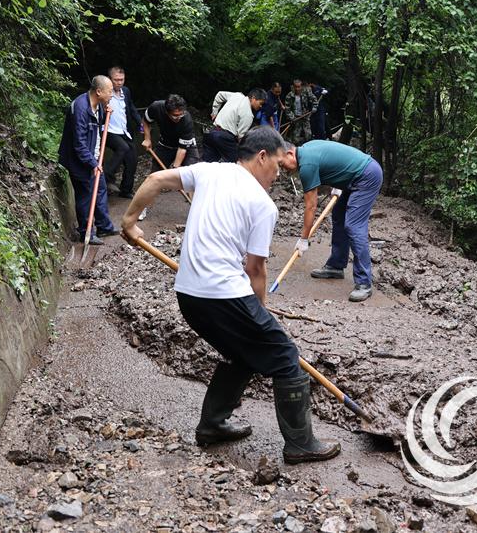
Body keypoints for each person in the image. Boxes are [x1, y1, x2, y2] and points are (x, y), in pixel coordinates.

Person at [121, 127, 341, 464]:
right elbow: (255, 270)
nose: (278, 176)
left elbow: (155, 180)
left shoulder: (209, 171)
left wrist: (129, 221)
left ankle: (212, 425)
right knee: (285, 356)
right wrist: (261, 314)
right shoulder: (262, 205)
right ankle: (301, 444)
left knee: (243, 353)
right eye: (277, 166)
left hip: (188, 295)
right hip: (224, 294)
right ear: (262, 157)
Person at [279, 140, 382, 302]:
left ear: (290, 154)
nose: (283, 170)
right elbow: (335, 158)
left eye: (282, 164)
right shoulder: (307, 150)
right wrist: (340, 180)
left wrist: (304, 239)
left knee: (354, 225)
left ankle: (364, 283)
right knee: (339, 215)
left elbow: (311, 206)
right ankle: (336, 265)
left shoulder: (306, 165)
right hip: (355, 175)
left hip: (366, 175)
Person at [58, 75, 118, 245]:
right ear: (98, 91)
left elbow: (98, 126)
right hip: (78, 160)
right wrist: (92, 163)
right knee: (85, 195)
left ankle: (104, 226)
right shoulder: (81, 109)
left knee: (100, 189)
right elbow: (79, 144)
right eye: (109, 91)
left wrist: (106, 114)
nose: (111, 95)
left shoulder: (98, 105)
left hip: (93, 156)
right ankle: (86, 233)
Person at [138, 94, 199, 220]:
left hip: (186, 147)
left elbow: (182, 149)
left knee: (192, 175)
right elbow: (146, 121)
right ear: (167, 112)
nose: (179, 117)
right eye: (175, 115)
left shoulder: (186, 120)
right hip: (165, 144)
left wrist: (175, 169)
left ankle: (196, 212)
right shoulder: (156, 107)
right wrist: (147, 138)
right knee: (154, 177)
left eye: (181, 114)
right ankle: (142, 207)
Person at [103, 66, 143, 198]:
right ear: (109, 79)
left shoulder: (125, 91)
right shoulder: (104, 92)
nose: (119, 82)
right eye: (116, 80)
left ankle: (126, 190)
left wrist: (140, 123)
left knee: (132, 159)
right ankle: (106, 177)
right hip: (108, 130)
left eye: (122, 79)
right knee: (123, 147)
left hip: (124, 131)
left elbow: (131, 107)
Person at [201, 88, 266, 163]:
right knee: (233, 164)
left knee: (207, 163)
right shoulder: (248, 114)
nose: (261, 106)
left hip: (212, 132)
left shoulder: (237, 95)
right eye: (260, 103)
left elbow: (219, 94)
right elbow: (240, 137)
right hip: (225, 138)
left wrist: (214, 113)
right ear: (253, 98)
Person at [283, 79, 316, 145]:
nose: (297, 89)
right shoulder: (289, 96)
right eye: (296, 87)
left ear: (301, 86)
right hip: (296, 118)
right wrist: (292, 117)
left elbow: (314, 99)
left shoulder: (306, 92)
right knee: (295, 137)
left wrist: (314, 107)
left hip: (305, 116)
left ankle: (309, 147)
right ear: (293, 87)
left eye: (299, 87)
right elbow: (287, 109)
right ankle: (296, 148)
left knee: (308, 135)